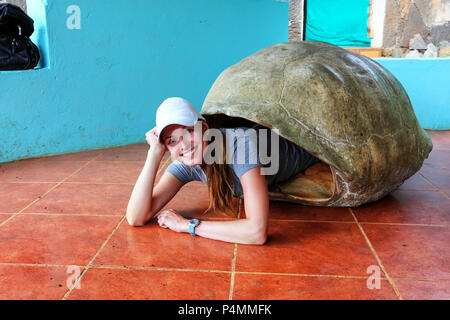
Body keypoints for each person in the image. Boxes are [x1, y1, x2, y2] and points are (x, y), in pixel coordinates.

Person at [126, 97, 320, 245]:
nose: (183, 144)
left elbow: (257, 231)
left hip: (308, 144)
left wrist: (187, 225)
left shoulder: (242, 145)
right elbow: (136, 217)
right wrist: (154, 152)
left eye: (189, 131)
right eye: (172, 141)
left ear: (204, 128)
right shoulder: (186, 163)